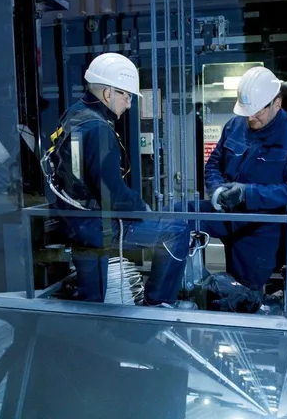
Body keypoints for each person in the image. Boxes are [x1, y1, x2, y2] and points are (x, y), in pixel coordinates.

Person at [44, 52, 195, 308]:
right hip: (97, 225)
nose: (128, 104)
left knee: (91, 300)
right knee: (177, 230)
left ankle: (86, 320)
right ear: (108, 93)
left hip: (74, 220)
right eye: (126, 96)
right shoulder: (99, 130)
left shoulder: (74, 115)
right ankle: (159, 304)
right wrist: (142, 208)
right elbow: (112, 194)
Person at [186, 66, 287, 292]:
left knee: (245, 292)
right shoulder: (234, 125)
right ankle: (170, 295)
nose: (250, 118)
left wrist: (247, 193)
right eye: (247, 111)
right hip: (226, 212)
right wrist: (217, 190)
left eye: (256, 112)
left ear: (277, 104)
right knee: (179, 216)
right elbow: (214, 164)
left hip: (259, 226)